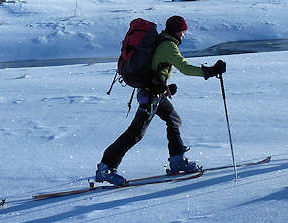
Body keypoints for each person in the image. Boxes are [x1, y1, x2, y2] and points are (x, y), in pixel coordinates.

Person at [96, 15, 227, 186]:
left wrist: (164, 85)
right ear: (176, 31)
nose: (184, 35)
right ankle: (106, 168)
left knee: (173, 120)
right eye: (182, 31)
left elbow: (156, 67)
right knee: (135, 133)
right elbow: (185, 68)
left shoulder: (163, 41)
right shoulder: (168, 46)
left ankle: (177, 160)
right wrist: (209, 71)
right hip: (150, 96)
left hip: (156, 93)